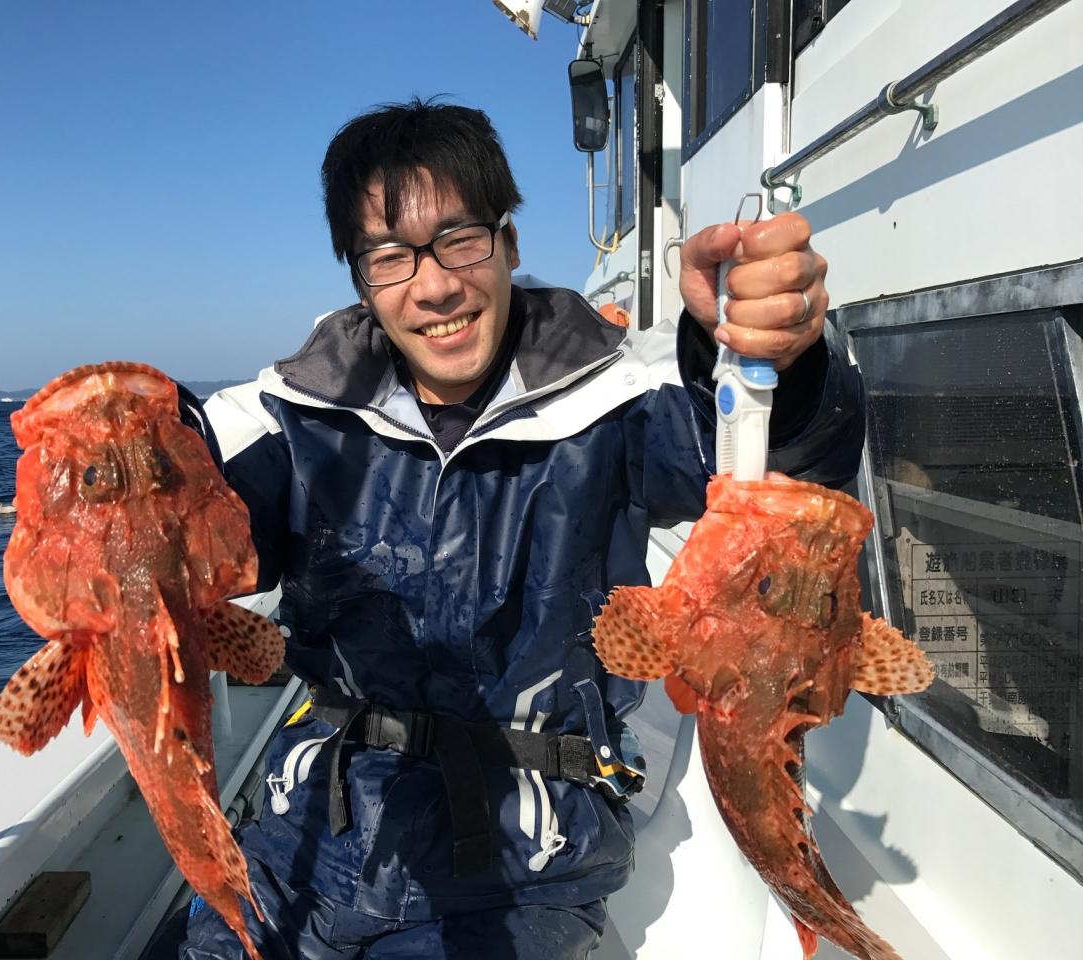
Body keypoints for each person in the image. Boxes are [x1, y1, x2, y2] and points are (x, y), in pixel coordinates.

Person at [175, 98, 864, 959]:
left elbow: (783, 459)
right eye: (390, 257)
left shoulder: (618, 390)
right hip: (303, 836)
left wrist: (776, 356)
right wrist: (138, 440)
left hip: (531, 853)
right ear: (361, 280)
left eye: (461, 241)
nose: (435, 286)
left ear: (508, 242)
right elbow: (193, 504)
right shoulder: (292, 410)